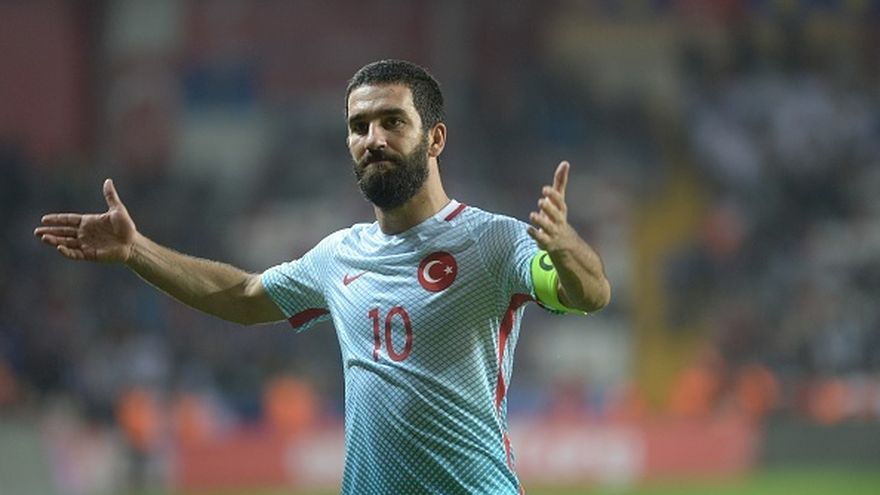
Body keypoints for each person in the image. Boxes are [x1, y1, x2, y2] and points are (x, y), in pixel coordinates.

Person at [35, 59, 611, 494]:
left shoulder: (494, 240)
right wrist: (136, 250)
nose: (373, 139)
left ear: (435, 138)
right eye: (360, 126)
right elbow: (243, 295)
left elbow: (588, 294)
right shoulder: (337, 255)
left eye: (393, 121)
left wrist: (565, 248)